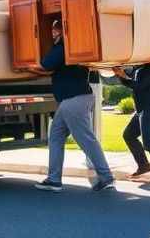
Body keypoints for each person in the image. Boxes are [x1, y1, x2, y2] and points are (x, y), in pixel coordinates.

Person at [30, 20, 115, 192]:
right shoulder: (75, 47)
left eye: (55, 30)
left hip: (73, 100)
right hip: (75, 98)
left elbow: (44, 66)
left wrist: (25, 67)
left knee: (86, 139)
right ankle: (54, 180)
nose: (53, 33)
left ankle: (106, 177)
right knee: (56, 136)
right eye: (53, 29)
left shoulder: (62, 47)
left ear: (62, 31)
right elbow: (51, 68)